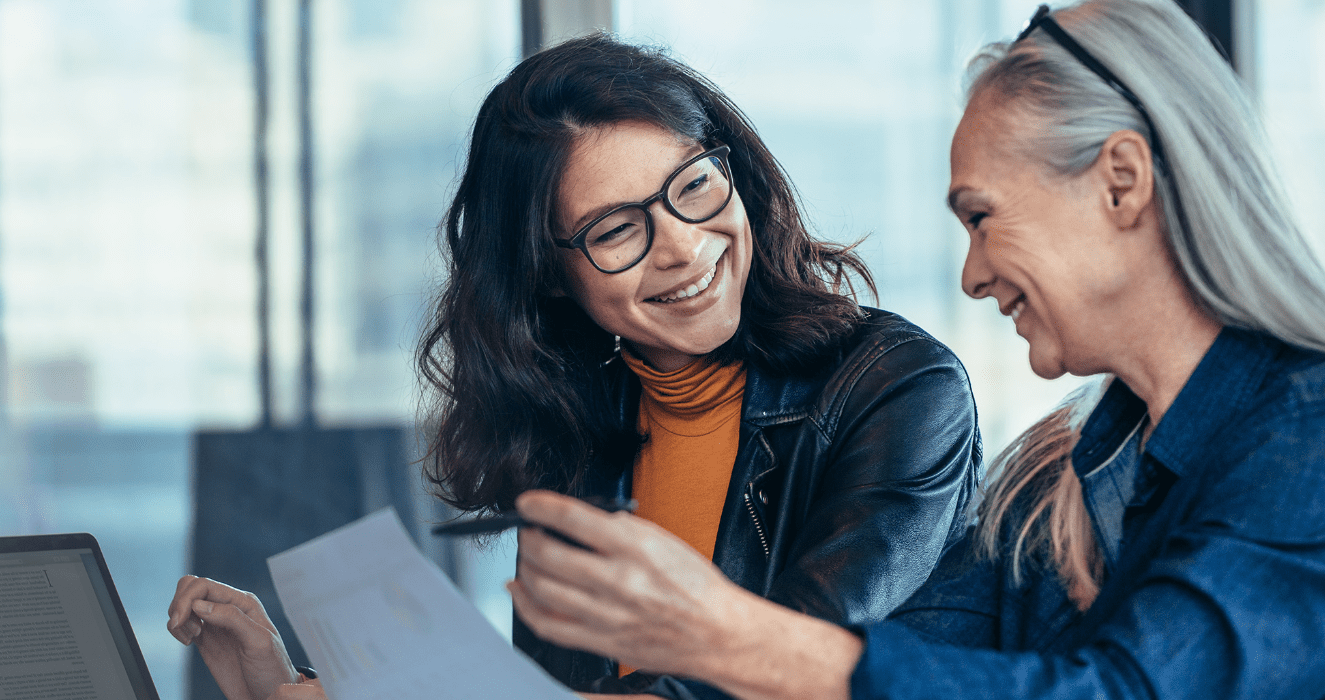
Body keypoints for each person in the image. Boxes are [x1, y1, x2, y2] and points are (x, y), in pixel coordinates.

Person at [508, 1, 1325, 698]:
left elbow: (1119, 691)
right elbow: (924, 661)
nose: (971, 276)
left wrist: (721, 633)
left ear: (1121, 181)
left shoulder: (1308, 435)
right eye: (615, 229)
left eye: (981, 217)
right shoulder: (1055, 488)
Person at [168, 35, 984, 699]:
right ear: (550, 276)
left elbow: (786, 669)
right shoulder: (575, 425)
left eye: (693, 185)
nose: (683, 247)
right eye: (615, 230)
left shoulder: (899, 387)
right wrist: (284, 688)